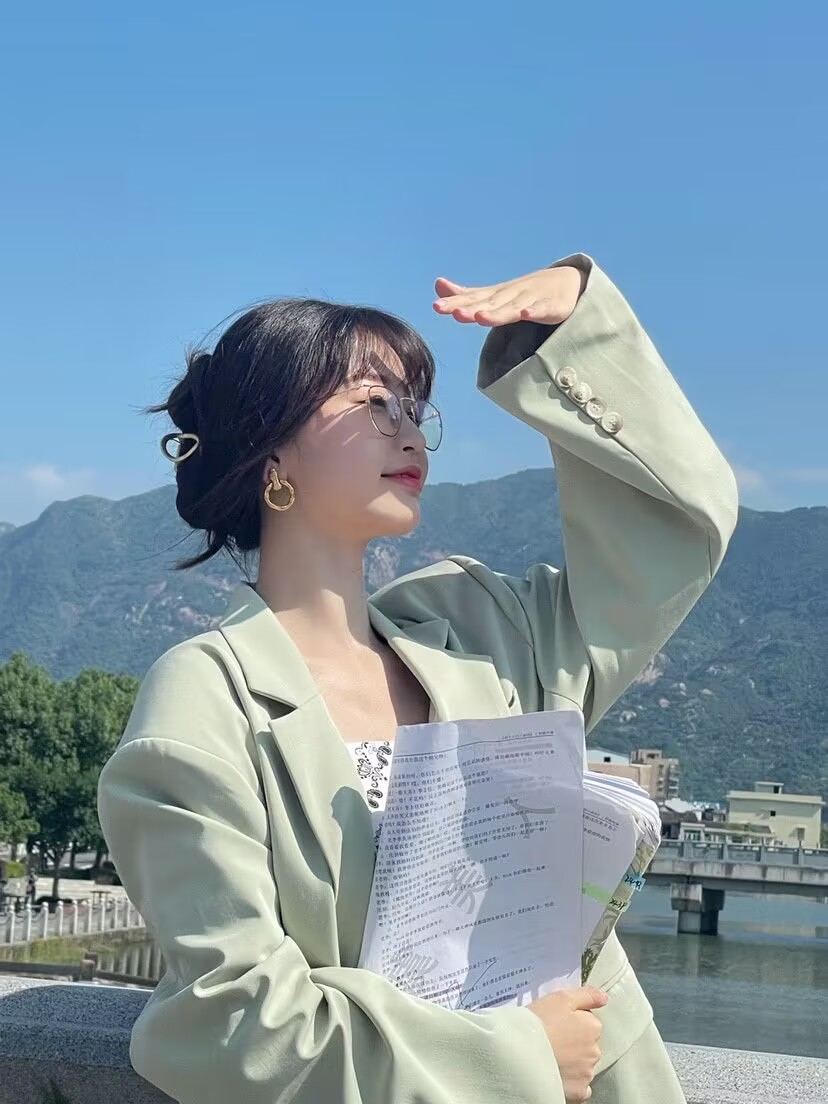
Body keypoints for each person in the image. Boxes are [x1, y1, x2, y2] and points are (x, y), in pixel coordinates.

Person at [96, 251, 738, 1104]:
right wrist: (517, 1056)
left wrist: (572, 337)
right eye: (372, 401)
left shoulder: (476, 633)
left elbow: (676, 536)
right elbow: (233, 1022)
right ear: (270, 448)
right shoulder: (208, 699)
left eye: (414, 406)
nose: (408, 431)